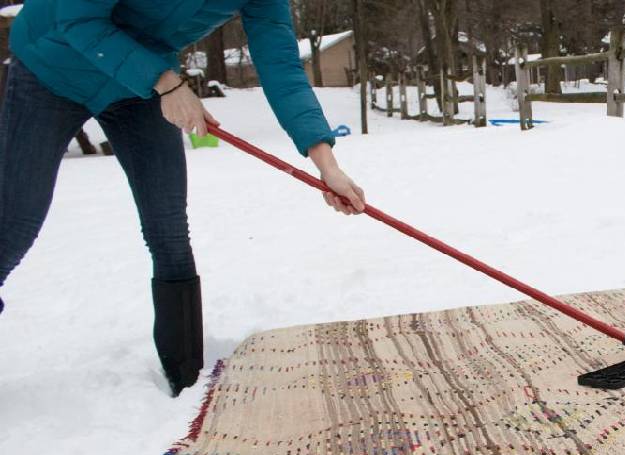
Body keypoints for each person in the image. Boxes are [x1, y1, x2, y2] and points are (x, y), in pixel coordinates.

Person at [0, 0, 366, 395]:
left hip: (137, 84)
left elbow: (282, 69)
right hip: (53, 65)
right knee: (15, 223)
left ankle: (185, 386)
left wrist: (325, 163)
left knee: (169, 231)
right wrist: (168, 84)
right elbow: (77, 18)